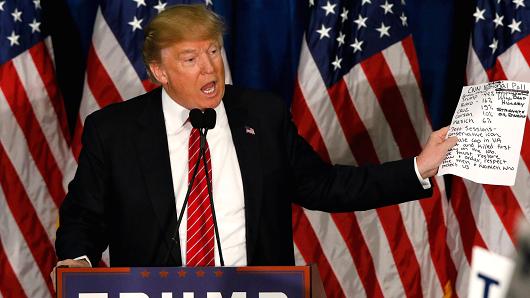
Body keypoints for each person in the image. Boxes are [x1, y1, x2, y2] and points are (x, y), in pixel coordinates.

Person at [52, 4, 457, 274]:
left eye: (213, 51)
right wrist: (78, 260)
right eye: (190, 59)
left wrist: (419, 166)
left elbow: (327, 186)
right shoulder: (114, 131)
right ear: (159, 72)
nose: (209, 68)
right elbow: (84, 218)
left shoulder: (262, 116)